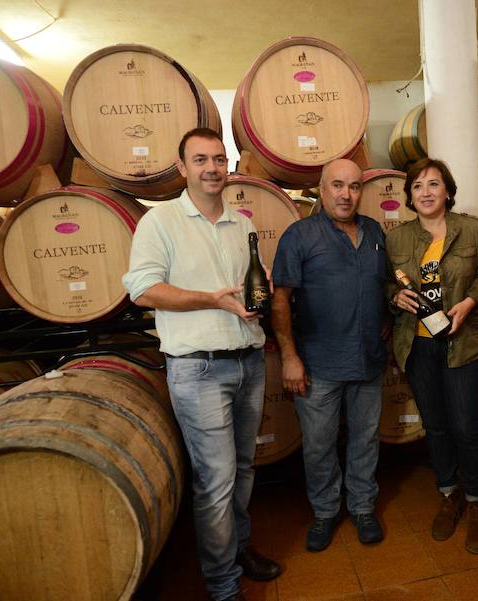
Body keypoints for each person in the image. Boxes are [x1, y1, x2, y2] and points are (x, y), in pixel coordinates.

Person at [122, 127, 280, 601]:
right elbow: (143, 289)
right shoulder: (161, 222)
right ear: (182, 167)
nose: (212, 168)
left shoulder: (243, 224)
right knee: (216, 480)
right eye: (201, 160)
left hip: (248, 359)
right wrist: (212, 301)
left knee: (246, 467)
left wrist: (259, 293)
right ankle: (223, 584)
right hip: (199, 370)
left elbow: (245, 293)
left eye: (218, 159)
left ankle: (239, 549)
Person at [271, 158, 389, 552]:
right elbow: (281, 299)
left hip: (369, 360)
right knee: (319, 444)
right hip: (319, 363)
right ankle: (324, 512)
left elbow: (385, 286)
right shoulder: (300, 235)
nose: (346, 194)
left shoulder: (374, 232)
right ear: (321, 190)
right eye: (337, 185)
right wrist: (289, 357)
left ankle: (362, 507)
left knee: (366, 438)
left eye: (354, 186)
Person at [385, 158, 478, 554]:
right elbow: (386, 284)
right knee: (436, 426)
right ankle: (450, 494)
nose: (426, 192)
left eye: (434, 184)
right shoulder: (397, 239)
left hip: (462, 340)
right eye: (418, 186)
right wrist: (394, 295)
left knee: (466, 425)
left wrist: (469, 301)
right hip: (416, 345)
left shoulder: (472, 230)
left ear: (447, 191)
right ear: (410, 196)